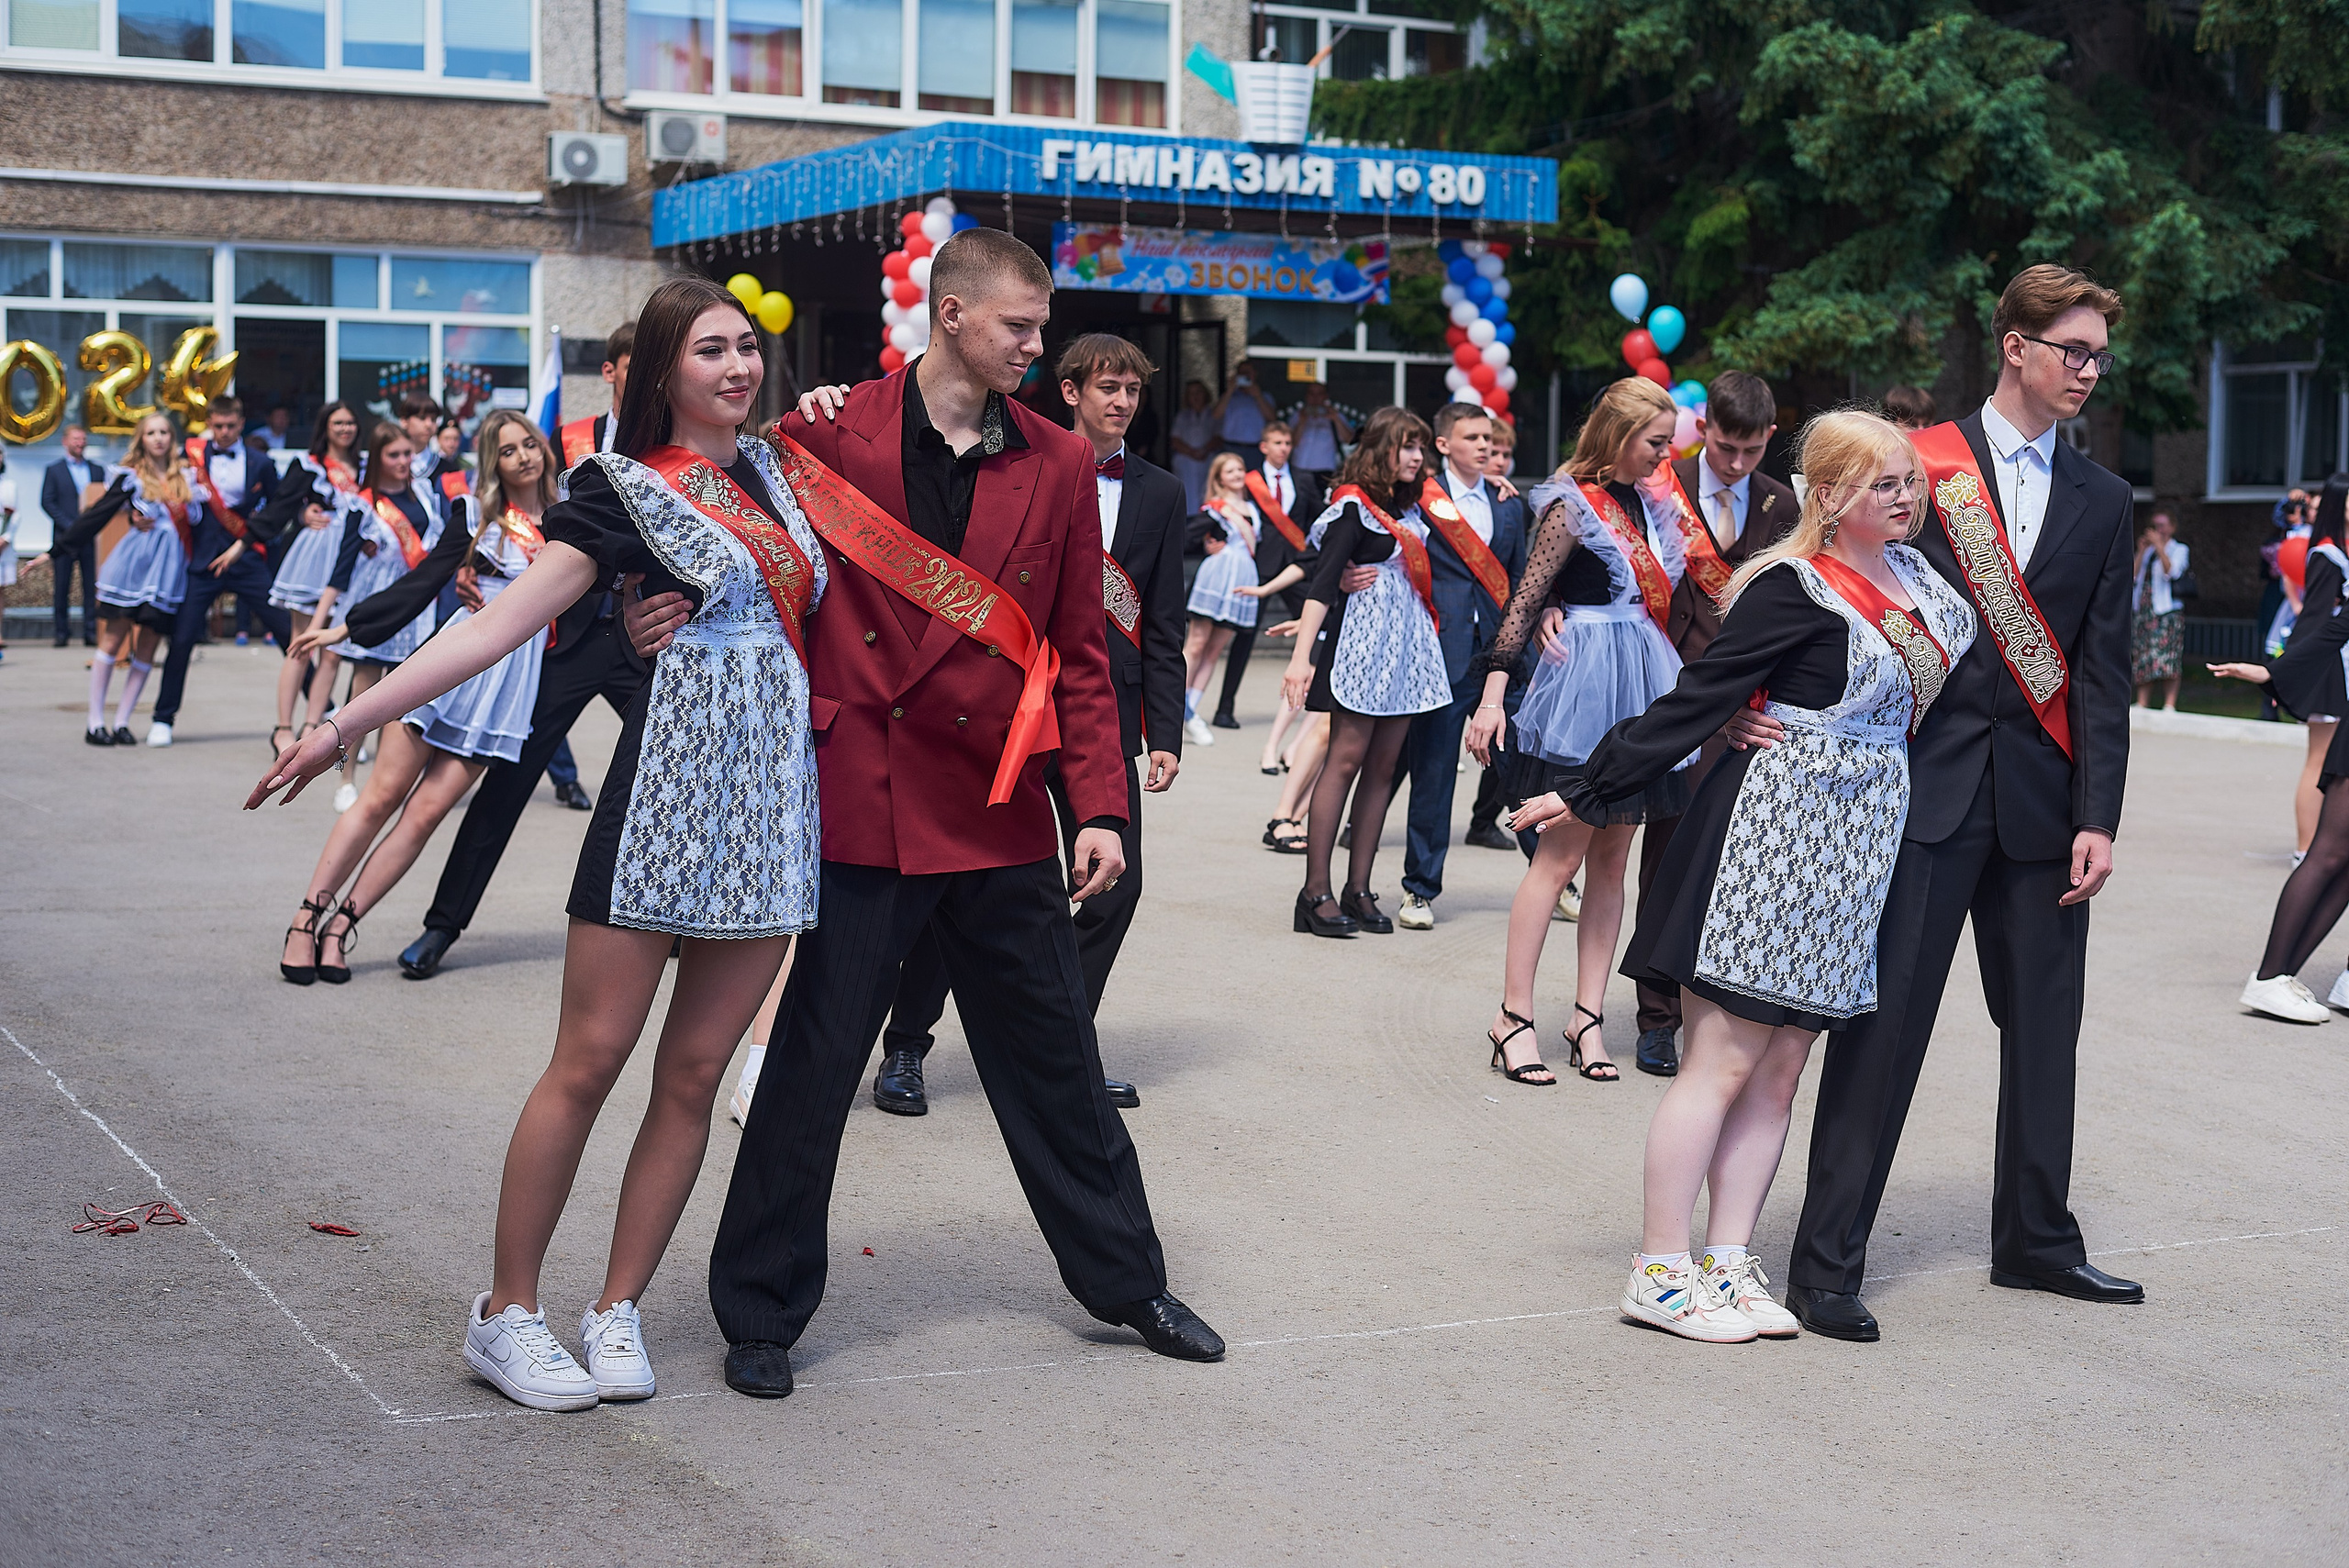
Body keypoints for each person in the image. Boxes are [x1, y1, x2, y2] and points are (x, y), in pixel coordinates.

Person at [626, 228, 1223, 1396]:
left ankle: (1128, 1280)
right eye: (1020, 326)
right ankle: (758, 1309)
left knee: (1056, 1062)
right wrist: (640, 618)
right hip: (867, 800)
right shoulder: (821, 434)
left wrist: (1096, 807)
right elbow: (699, 539)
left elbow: (1078, 655)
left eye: (1040, 328)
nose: (1036, 346)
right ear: (950, 315)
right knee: (811, 1068)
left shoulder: (1055, 463)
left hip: (999, 807)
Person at [254, 274, 822, 1413]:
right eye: (711, 349)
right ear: (662, 371)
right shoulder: (621, 488)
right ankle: (506, 1311)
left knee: (697, 1074)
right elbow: (496, 623)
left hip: (774, 811)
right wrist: (342, 723)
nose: (738, 366)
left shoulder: (789, 472)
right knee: (590, 1060)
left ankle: (616, 1305)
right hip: (663, 806)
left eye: (748, 346)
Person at [1517, 410, 1976, 1340]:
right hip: (1767, 840)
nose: (1904, 496)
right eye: (1880, 482)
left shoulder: (1923, 580)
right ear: (1830, 493)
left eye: (1908, 481)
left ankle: (1726, 1260)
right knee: (1721, 1061)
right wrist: (1588, 788)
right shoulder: (1790, 585)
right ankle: (1659, 1265)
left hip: (1856, 848)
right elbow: (1700, 697)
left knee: (1780, 1072)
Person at [1779, 263, 2142, 1341]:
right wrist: (1768, 705)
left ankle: (2035, 1239)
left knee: (2045, 1030)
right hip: (1919, 794)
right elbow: (1821, 575)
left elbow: (2102, 670)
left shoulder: (2107, 499)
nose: (2088, 369)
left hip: (2043, 806)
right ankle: (1825, 1262)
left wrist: (2099, 814)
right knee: (1883, 1030)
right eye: (2071, 349)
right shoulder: (1918, 466)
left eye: (2097, 355)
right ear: (2015, 347)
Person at [862, 331, 1188, 1118]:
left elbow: (1166, 619)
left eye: (1133, 390)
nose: (1122, 402)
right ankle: (907, 1045)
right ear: (1069, 391)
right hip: (999, 704)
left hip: (1094, 710)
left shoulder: (1163, 493)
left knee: (1116, 880)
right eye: (1107, 387)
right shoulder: (1019, 458)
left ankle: (1057, 1042)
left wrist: (1167, 729)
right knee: (955, 883)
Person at [391, 321, 649, 983]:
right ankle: (441, 926)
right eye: (636, 362)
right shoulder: (568, 438)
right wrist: (470, 563)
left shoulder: (672, 438)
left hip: (642, 635)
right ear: (613, 370)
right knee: (506, 785)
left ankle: (680, 920)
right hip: (563, 640)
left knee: (673, 767)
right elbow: (506, 504)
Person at [273, 411, 561, 987]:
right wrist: (348, 628)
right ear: (492, 463)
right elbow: (423, 579)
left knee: (426, 814)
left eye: (531, 443)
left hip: (507, 688)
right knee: (380, 796)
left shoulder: (571, 517)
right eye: (508, 451)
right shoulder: (475, 514)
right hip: (449, 665)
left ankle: (342, 927)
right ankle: (306, 920)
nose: (524, 456)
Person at [1464, 377, 1690, 1083]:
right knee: (1557, 860)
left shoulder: (1651, 500)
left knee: (1615, 860)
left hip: (1643, 679)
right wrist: (1494, 694)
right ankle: (1514, 1016)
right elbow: (1526, 597)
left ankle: (1587, 1016)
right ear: (1619, 433)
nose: (1665, 453)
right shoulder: (1570, 503)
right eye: (1655, 441)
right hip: (1585, 686)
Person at [1625, 371, 1800, 1076]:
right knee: (1665, 860)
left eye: (1751, 451)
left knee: (1735, 860)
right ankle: (1656, 1015)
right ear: (1706, 429)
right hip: (1674, 692)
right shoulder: (1658, 487)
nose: (1734, 464)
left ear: (1769, 440)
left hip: (1753, 712)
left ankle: (1715, 1009)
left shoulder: (1784, 503)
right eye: (1725, 448)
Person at [1280, 406, 1452, 938]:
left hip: (1406, 650)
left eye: (1421, 447)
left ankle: (1358, 888)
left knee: (1383, 769)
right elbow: (1321, 584)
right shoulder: (1351, 508)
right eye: (1407, 446)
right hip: (1361, 645)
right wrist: (1300, 658)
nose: (1417, 457)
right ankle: (1315, 892)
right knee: (1344, 761)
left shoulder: (1410, 506)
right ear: (1381, 447)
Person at [2210, 474, 2349, 1020]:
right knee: (2331, 852)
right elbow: (2333, 631)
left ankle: (2293, 978)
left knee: (2344, 859)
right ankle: (2270, 976)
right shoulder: (2325, 554)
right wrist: (2271, 672)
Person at [1393, 402, 1530, 931]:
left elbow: (1521, 580)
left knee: (1522, 763)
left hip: (1502, 656)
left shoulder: (1509, 503)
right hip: (1438, 648)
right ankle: (1419, 888)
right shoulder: (1418, 498)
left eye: (1487, 437)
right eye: (1470, 436)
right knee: (1432, 772)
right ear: (1443, 444)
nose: (1483, 445)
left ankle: (1553, 874)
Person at [303, 422, 447, 813]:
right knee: (363, 700)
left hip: (415, 609)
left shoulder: (426, 493)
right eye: (394, 455)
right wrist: (321, 621)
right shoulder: (363, 502)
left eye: (407, 454)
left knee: (402, 701)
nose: (404, 462)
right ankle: (346, 778)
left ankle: (387, 782)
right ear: (378, 459)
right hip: (374, 608)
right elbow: (343, 564)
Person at [146, 396, 289, 748]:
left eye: (230, 426)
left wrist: (260, 530)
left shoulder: (261, 462)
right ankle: (163, 719)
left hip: (247, 560)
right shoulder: (189, 458)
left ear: (241, 423)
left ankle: (324, 710)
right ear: (210, 422)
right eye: (218, 426)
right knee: (181, 640)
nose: (224, 432)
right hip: (203, 562)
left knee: (288, 633)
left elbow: (280, 505)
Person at [51, 413, 203, 743]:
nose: (159, 438)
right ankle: (95, 722)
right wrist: (55, 551)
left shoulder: (187, 478)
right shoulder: (130, 476)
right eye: (151, 433)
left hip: (168, 574)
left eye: (164, 431)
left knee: (148, 646)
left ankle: (122, 722)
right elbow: (98, 514)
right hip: (134, 569)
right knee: (113, 640)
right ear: (142, 439)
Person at [255, 400, 365, 758]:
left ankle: (312, 726)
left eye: (350, 422)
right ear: (325, 427)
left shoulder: (365, 467)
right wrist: (303, 514)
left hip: (352, 560)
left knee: (333, 651)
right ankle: (283, 728)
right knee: (301, 644)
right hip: (316, 555)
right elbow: (283, 504)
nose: (345, 429)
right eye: (338, 423)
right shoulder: (311, 464)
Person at [1210, 420, 1323, 736]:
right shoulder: (1249, 480)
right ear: (1264, 446)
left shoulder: (1303, 479)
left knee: (1318, 626)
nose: (1283, 448)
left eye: (1287, 443)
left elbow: (1318, 518)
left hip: (1297, 567)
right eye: (1277, 443)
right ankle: (1224, 709)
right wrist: (1213, 539)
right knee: (1244, 636)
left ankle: (1320, 701)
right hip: (1258, 567)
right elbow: (1227, 508)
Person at [1464, 415, 1528, 854]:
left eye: (1504, 452)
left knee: (1505, 742)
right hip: (1446, 640)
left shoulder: (1510, 504)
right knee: (1417, 752)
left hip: (1496, 641)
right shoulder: (1436, 498)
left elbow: (1522, 574)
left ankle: (1486, 821)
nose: (1496, 458)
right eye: (1488, 447)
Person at [1182, 451, 1262, 745]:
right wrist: (1205, 546)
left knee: (1215, 650)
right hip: (1217, 577)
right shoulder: (1215, 509)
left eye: (1240, 468)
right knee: (1197, 644)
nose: (1237, 474)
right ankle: (1180, 709)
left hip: (1243, 581)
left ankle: (1189, 710)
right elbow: (1186, 536)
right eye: (1230, 471)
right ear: (1219, 478)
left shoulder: (1255, 508)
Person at [42, 426, 101, 648]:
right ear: (65, 442)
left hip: (89, 539)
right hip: (64, 539)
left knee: (90, 587)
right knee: (62, 587)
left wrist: (87, 527)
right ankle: (61, 633)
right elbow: (47, 501)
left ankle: (91, 632)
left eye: (83, 439)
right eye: (76, 439)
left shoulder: (97, 470)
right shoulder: (54, 470)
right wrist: (71, 527)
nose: (80, 443)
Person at [2131, 509, 2189, 709]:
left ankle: (2169, 704)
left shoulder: (2179, 549)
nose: (2159, 530)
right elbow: (2133, 576)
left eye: (2163, 526)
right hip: (2144, 610)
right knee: (2143, 655)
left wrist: (2159, 546)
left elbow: (2171, 572)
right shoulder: (2146, 552)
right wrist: (2141, 551)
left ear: (2172, 527)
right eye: (2155, 526)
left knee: (2169, 656)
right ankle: (2142, 701)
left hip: (2167, 611)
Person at [560, 322, 635, 468]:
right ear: (609, 372)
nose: (643, 377)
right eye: (632, 368)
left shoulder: (673, 439)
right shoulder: (568, 438)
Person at [1289, 382, 1353, 484]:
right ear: (1306, 396)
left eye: (1320, 394)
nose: (1315, 398)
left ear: (1326, 396)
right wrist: (1302, 422)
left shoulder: (1335, 416)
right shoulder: (1297, 416)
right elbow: (1292, 443)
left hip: (1325, 472)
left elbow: (1349, 440)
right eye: (1311, 393)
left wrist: (1336, 419)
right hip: (1299, 469)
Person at [1211, 361, 1275, 458]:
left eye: (1248, 373)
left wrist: (1258, 397)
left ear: (1255, 374)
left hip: (1255, 449)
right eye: (1241, 373)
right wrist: (1229, 391)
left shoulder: (1264, 396)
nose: (1245, 376)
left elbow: (1272, 418)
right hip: (1231, 447)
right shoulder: (1230, 397)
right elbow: (1216, 415)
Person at [1170, 378, 1215, 513]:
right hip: (1186, 463)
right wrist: (1192, 452)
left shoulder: (1214, 414)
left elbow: (1219, 437)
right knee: (1187, 498)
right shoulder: (1182, 416)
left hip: (1207, 460)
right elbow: (1175, 440)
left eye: (1199, 392)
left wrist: (1204, 450)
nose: (1195, 397)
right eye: (1191, 393)